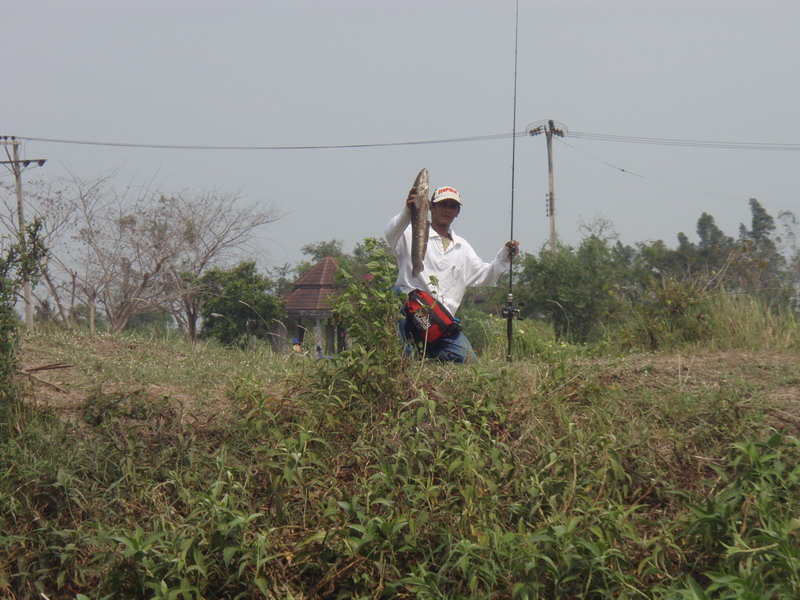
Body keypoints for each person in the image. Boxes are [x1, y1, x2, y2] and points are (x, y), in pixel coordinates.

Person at [384, 184, 520, 363]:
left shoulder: (462, 247)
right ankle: (403, 361)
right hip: (411, 311)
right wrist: (408, 210)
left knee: (469, 362)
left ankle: (427, 361)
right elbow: (390, 234)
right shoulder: (410, 233)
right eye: (442, 205)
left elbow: (484, 275)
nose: (447, 210)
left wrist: (505, 255)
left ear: (458, 212)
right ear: (431, 207)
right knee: (397, 296)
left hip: (440, 322)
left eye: (452, 206)